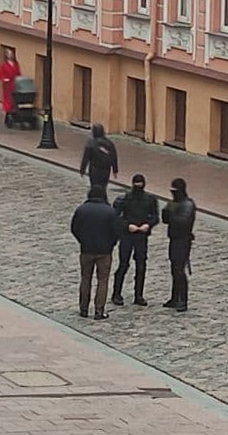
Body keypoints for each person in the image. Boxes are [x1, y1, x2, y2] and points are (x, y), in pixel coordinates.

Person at [70, 185, 120, 321]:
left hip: (86, 250)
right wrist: (111, 244)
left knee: (85, 279)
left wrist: (82, 240)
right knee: (102, 281)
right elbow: (116, 231)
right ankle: (99, 311)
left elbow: (74, 228)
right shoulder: (110, 212)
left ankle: (83, 309)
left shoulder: (82, 210)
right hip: (104, 251)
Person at [111, 174, 158, 307]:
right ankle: (116, 293)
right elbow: (116, 217)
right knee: (123, 264)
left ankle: (139, 294)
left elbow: (155, 216)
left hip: (141, 236)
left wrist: (148, 225)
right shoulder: (124, 199)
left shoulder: (149, 199)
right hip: (127, 235)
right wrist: (127, 225)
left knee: (141, 265)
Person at [161, 178, 195, 313]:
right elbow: (165, 220)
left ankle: (183, 300)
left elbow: (184, 222)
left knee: (179, 270)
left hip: (183, 240)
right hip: (174, 239)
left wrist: (172, 214)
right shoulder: (174, 203)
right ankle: (175, 297)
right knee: (174, 269)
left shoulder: (187, 205)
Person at [80, 123, 118, 188]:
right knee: (103, 186)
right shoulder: (109, 143)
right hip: (106, 169)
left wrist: (82, 170)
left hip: (95, 169)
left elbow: (86, 158)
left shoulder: (91, 143)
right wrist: (115, 170)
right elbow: (114, 157)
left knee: (95, 186)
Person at [0, 48, 21, 126]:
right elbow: (1, 75)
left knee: (14, 102)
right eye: (8, 54)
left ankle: (14, 118)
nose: (10, 55)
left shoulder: (16, 64)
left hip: (14, 85)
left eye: (11, 53)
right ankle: (7, 119)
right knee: (8, 102)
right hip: (7, 86)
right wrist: (5, 79)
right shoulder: (4, 65)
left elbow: (18, 73)